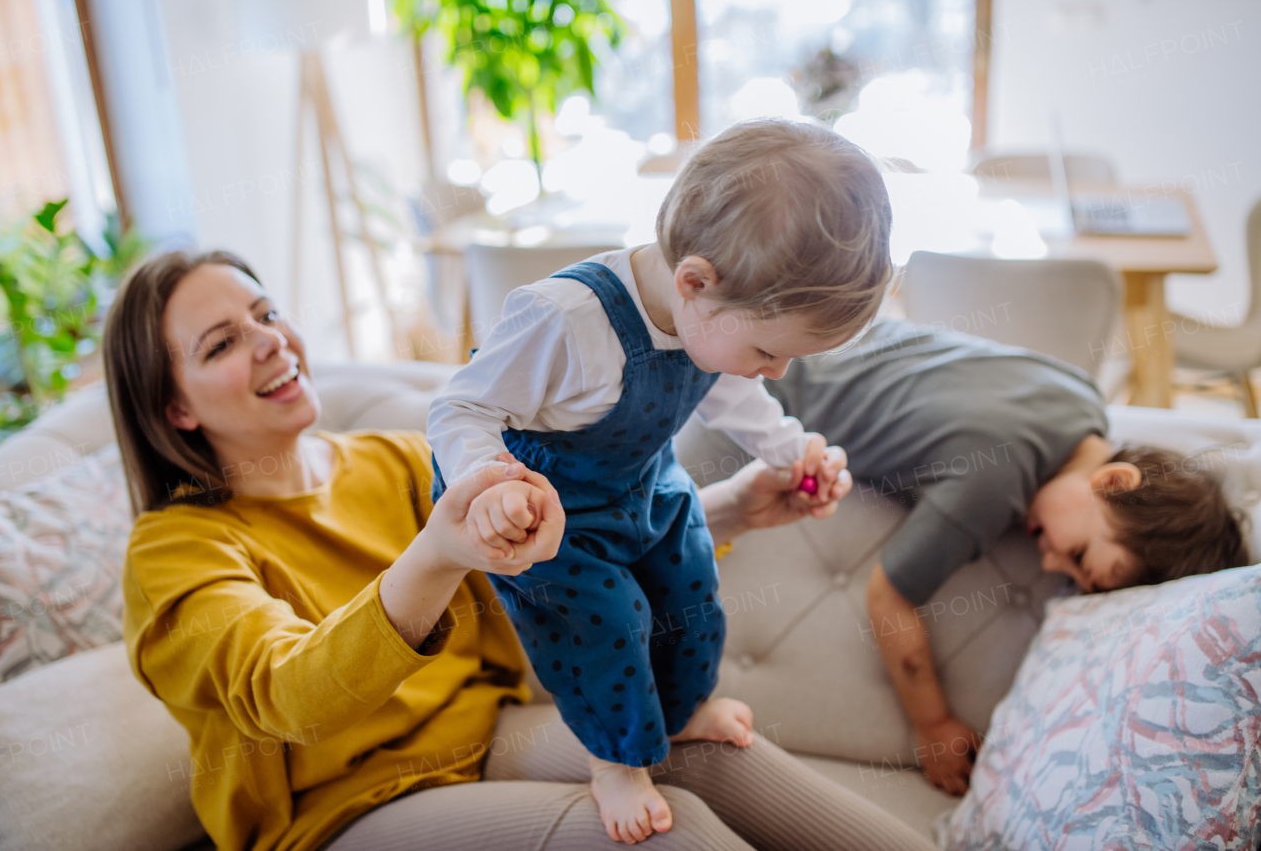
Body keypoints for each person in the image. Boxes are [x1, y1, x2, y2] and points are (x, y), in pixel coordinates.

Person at [105, 250, 938, 851]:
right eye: (220, 343)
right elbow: (289, 700)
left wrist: (737, 510)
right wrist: (434, 552)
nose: (269, 340)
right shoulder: (173, 552)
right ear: (174, 409)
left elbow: (551, 572)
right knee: (653, 836)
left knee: (715, 756)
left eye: (265, 311)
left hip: (482, 732)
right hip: (343, 809)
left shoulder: (386, 460)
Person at [426, 118, 893, 842]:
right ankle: (615, 759)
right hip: (550, 506)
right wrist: (488, 486)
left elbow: (733, 386)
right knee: (609, 617)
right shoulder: (564, 318)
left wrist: (788, 449)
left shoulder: (707, 318)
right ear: (694, 282)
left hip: (640, 484)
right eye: (770, 348)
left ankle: (683, 709)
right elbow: (460, 403)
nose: (777, 368)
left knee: (691, 581)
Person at [759, 318, 1252, 796]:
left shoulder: (1083, 398)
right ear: (1114, 481)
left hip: (832, 331)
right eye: (1080, 554)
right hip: (770, 391)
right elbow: (888, 597)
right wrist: (933, 724)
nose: (1054, 565)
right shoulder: (993, 484)